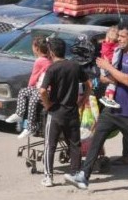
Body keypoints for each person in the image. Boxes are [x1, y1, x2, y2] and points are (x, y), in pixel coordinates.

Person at [64, 22, 128, 191]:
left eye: (123, 37)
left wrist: (109, 69)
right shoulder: (118, 53)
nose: (119, 39)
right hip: (111, 108)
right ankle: (84, 176)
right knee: (96, 140)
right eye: (118, 36)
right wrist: (107, 73)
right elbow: (108, 78)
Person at [38, 38, 91, 187]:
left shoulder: (53, 69)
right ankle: (75, 174)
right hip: (72, 111)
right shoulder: (75, 66)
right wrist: (82, 100)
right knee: (75, 144)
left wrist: (48, 105)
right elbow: (89, 84)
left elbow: (42, 91)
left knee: (50, 145)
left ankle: (48, 177)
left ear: (51, 52)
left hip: (56, 113)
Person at [5, 37, 52, 139]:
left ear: (36, 48)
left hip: (45, 90)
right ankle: (19, 114)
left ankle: (30, 126)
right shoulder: (48, 59)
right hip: (41, 88)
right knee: (23, 92)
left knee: (32, 98)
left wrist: (30, 87)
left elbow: (34, 76)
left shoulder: (40, 61)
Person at [98, 26, 122, 109]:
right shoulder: (116, 47)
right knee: (113, 82)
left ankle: (106, 97)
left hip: (102, 67)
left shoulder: (104, 44)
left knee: (109, 83)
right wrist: (113, 68)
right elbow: (115, 58)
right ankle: (110, 99)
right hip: (108, 66)